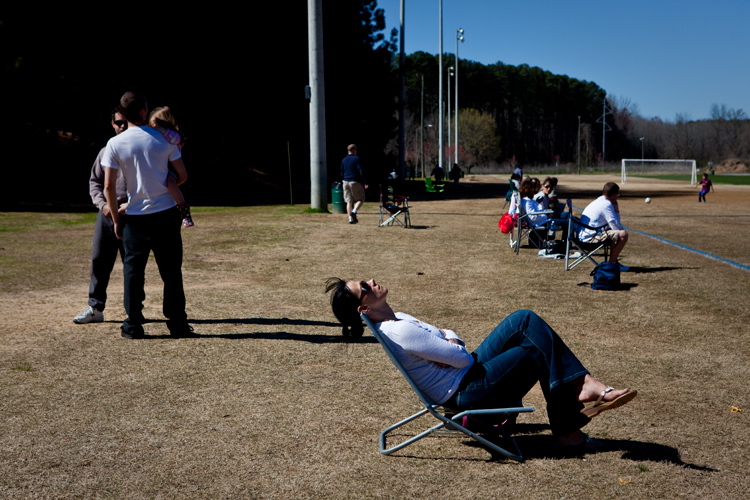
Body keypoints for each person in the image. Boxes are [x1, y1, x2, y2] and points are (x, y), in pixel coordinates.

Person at [325, 277, 637, 450]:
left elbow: (448, 337)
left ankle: (581, 392)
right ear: (364, 307)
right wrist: (452, 345)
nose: (371, 280)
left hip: (465, 373)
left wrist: (451, 342)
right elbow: (457, 354)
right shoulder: (399, 329)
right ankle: (571, 420)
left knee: (523, 320)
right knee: (531, 353)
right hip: (465, 391)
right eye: (364, 286)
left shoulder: (397, 317)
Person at [101, 91, 194, 339]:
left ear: (123, 114)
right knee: (171, 271)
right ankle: (178, 324)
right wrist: (169, 181)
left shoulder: (115, 144)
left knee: (133, 272)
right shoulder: (165, 140)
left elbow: (108, 187)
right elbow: (182, 175)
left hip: (134, 217)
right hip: (165, 214)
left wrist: (117, 220)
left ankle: (133, 325)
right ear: (144, 111)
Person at [73, 109, 129, 324]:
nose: (122, 126)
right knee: (99, 261)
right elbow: (95, 183)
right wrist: (104, 205)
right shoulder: (105, 151)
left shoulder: (138, 152)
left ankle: (133, 309)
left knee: (131, 264)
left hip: (130, 214)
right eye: (119, 122)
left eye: (126, 122)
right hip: (106, 215)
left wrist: (128, 205)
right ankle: (95, 308)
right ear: (112, 124)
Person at [148, 106, 194, 227]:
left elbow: (176, 139)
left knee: (170, 183)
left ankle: (185, 212)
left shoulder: (173, 135)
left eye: (155, 125)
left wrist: (162, 131)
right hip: (162, 165)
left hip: (172, 166)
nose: (154, 128)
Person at [579, 182, 629, 270]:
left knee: (615, 233)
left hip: (584, 237)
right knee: (623, 235)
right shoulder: (606, 204)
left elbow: (614, 225)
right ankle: (612, 264)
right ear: (614, 195)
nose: (618, 197)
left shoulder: (599, 201)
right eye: (618, 194)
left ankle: (614, 262)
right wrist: (617, 211)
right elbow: (615, 225)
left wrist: (616, 210)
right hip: (589, 240)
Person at [340, 144, 368, 224]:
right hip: (354, 181)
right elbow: (361, 171)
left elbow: (341, 171)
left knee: (349, 201)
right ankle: (354, 211)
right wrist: (365, 182)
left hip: (345, 181)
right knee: (360, 199)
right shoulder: (357, 159)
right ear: (353, 150)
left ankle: (350, 219)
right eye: (356, 149)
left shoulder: (344, 160)